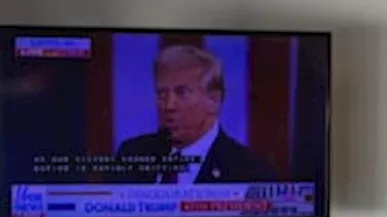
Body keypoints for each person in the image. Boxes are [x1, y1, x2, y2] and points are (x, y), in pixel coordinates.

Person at [113, 44, 278, 184]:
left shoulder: (250, 172)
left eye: (182, 92)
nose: (169, 105)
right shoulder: (132, 154)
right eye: (162, 94)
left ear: (213, 100)